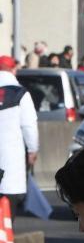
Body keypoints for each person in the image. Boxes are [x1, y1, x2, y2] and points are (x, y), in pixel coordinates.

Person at [0, 55, 39, 219]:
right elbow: (29, 126)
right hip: (10, 158)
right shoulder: (21, 94)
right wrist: (32, 150)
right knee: (8, 207)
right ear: (13, 70)